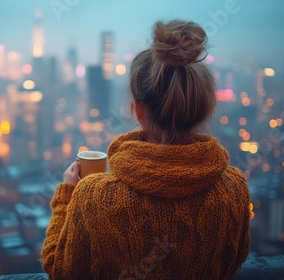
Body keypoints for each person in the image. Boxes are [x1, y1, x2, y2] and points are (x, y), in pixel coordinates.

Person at [41, 19, 250, 279]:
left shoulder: (93, 197)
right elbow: (234, 258)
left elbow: (61, 271)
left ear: (138, 110)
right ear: (204, 108)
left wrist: (66, 198)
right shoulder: (234, 189)